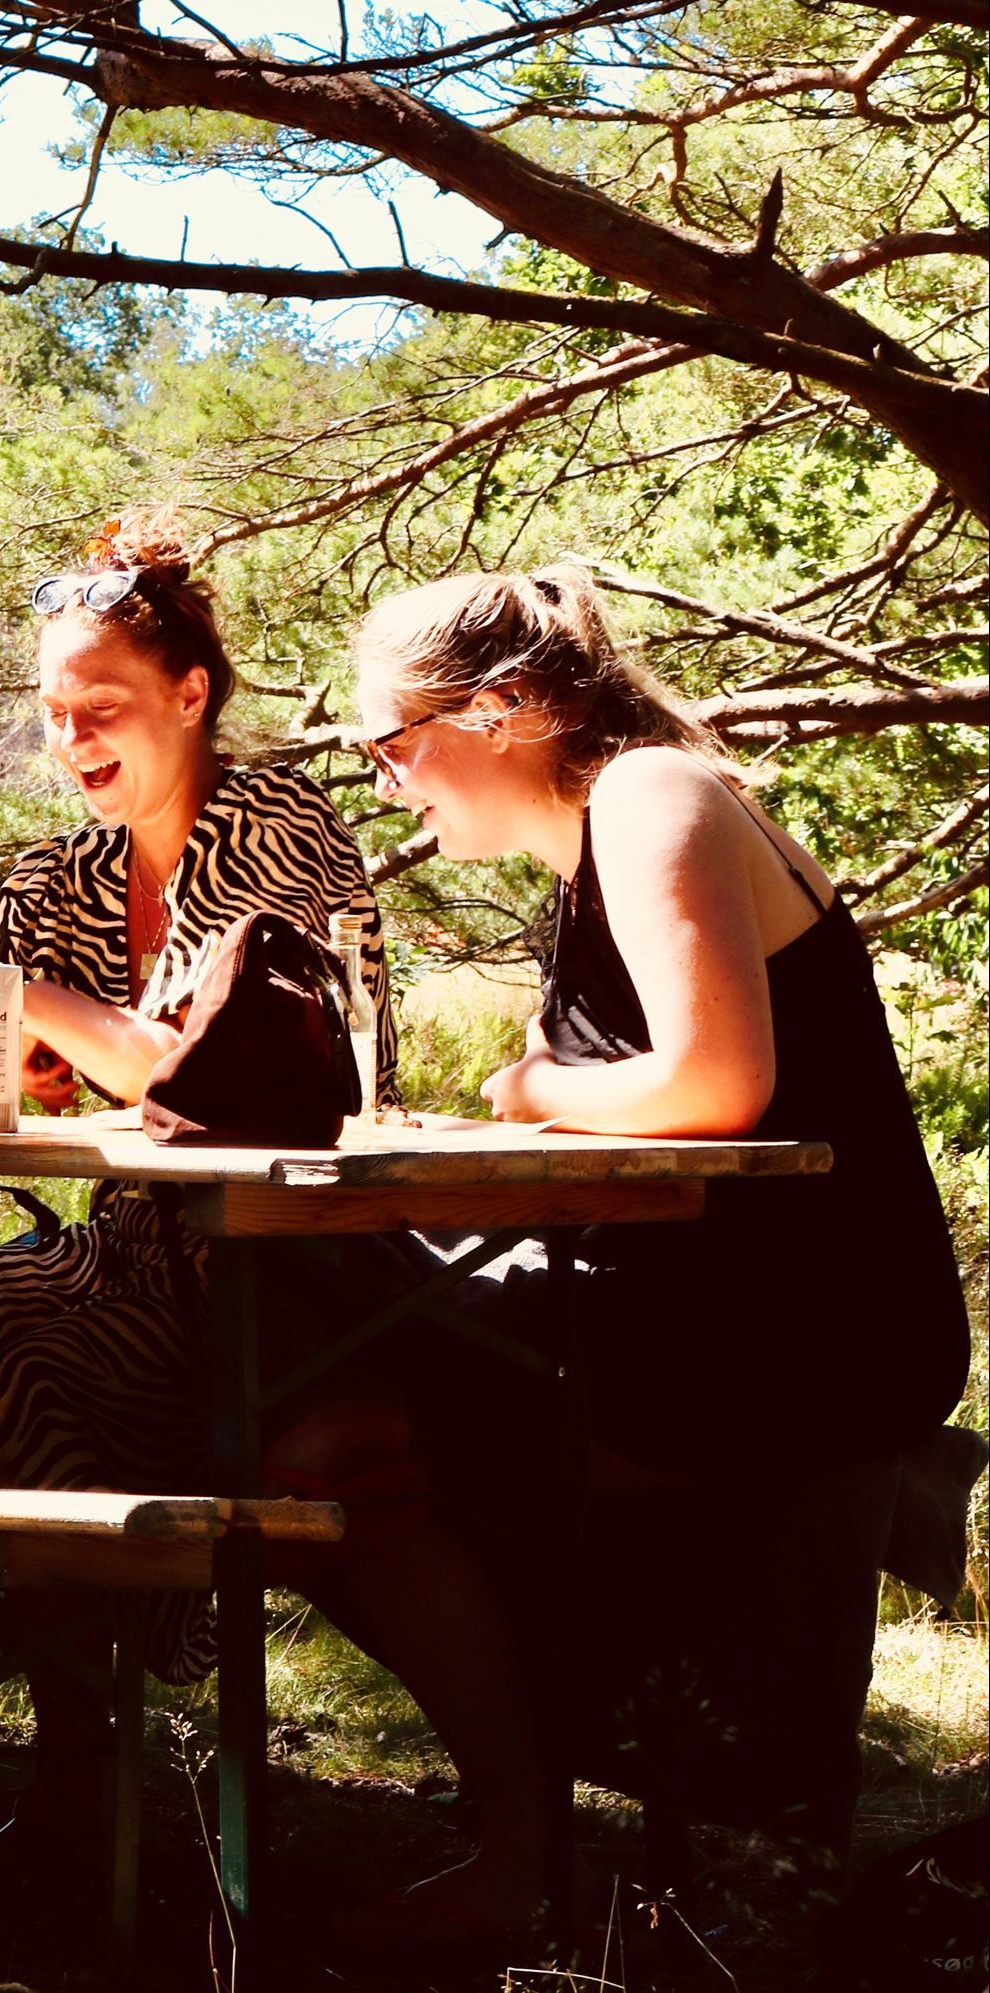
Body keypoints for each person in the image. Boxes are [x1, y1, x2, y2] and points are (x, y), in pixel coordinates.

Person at [281, 563, 971, 1940]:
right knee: (304, 1378)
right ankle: (542, 1834)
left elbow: (716, 1082)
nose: (387, 777)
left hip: (797, 1331)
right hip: (707, 1305)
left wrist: (533, 1092)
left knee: (332, 1437)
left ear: (509, 707)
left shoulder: (656, 797)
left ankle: (535, 1849)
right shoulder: (599, 844)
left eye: (392, 742)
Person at [0, 507, 394, 1821]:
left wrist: (30, 999)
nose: (71, 737)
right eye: (53, 711)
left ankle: (66, 1731)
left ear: (190, 696)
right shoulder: (64, 874)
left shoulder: (274, 823)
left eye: (103, 709)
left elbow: (227, 1076)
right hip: (137, 1258)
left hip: (294, 1268)